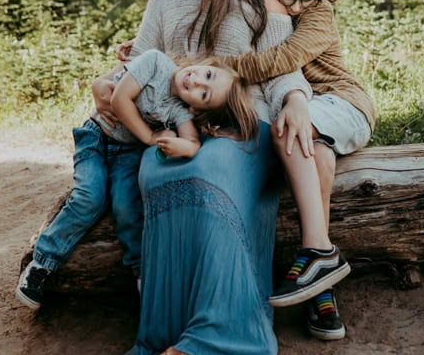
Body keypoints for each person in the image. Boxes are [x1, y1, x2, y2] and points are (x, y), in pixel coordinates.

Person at [95, 0, 314, 355]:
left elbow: (282, 71)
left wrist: (297, 101)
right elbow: (143, 61)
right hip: (180, 125)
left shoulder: (265, 2)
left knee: (210, 169)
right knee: (160, 168)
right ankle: (169, 332)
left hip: (243, 127)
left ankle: (219, 335)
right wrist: (109, 88)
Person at [16, 48, 258, 310]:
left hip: (127, 152)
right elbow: (120, 99)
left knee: (127, 206)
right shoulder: (155, 62)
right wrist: (150, 138)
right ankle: (41, 263)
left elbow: (192, 141)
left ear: (196, 107)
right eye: (207, 74)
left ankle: (142, 275)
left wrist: (188, 147)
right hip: (97, 136)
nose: (197, 81)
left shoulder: (180, 111)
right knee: (89, 196)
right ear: (206, 63)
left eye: (204, 94)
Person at [221, 0, 376, 341]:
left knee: (288, 129)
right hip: (312, 112)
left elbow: (282, 60)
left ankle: (319, 256)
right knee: (317, 158)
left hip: (342, 103)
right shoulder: (264, 5)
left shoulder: (319, 14)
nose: (293, 6)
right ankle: (320, 286)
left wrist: (220, 67)